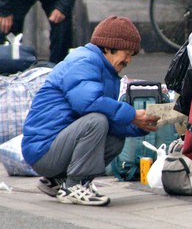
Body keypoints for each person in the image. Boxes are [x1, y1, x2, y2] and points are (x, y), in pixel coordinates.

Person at [22, 16, 160, 206]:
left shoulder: (106, 70)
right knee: (96, 121)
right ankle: (74, 185)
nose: (128, 59)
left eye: (132, 55)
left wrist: (140, 126)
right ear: (108, 47)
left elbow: (110, 122)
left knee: (114, 139)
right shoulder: (84, 61)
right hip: (43, 149)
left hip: (57, 146)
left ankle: (57, 181)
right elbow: (88, 103)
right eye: (126, 53)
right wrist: (132, 115)